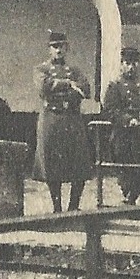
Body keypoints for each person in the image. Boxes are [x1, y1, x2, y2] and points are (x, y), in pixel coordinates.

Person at [33, 31, 93, 212]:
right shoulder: (40, 69)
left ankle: (73, 206)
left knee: (79, 164)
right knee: (52, 166)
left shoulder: (75, 70)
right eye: (55, 46)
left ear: (67, 48)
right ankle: (57, 207)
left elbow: (86, 89)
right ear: (49, 49)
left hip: (72, 120)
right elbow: (43, 88)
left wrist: (65, 89)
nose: (59, 50)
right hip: (51, 121)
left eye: (62, 46)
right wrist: (68, 84)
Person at [101, 47, 140, 208]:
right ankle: (129, 202)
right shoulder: (115, 86)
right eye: (127, 63)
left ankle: (130, 202)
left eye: (134, 64)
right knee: (125, 171)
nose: (131, 67)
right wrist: (127, 119)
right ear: (121, 65)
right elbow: (110, 110)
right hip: (123, 135)